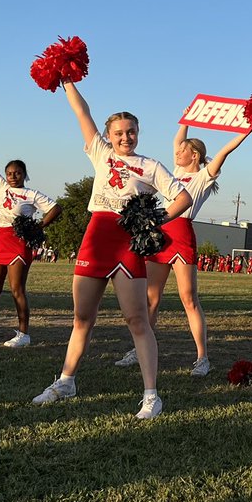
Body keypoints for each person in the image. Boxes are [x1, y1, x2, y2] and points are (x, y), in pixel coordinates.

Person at [32, 80, 191, 419]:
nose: (125, 137)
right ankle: (66, 381)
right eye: (118, 132)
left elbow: (183, 199)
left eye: (131, 132)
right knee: (82, 318)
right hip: (97, 236)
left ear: (138, 133)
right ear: (109, 134)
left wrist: (152, 220)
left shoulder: (151, 166)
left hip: (128, 244)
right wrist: (66, 79)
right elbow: (81, 111)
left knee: (137, 320)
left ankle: (151, 396)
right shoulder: (100, 152)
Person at [115, 122, 251, 377]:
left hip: (181, 234)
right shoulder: (175, 171)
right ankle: (138, 350)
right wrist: (186, 119)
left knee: (188, 298)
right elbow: (179, 138)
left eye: (182, 151)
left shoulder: (202, 177)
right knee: (150, 300)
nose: (177, 153)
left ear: (195, 155)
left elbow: (224, 152)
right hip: (159, 234)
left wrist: (247, 130)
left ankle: (202, 358)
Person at [0, 139, 61, 349]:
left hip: (18, 244)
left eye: (17, 173)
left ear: (24, 174)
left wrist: (39, 226)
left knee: (17, 289)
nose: (12, 176)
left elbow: (55, 208)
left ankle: (23, 334)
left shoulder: (31, 194)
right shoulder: (0, 187)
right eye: (9, 173)